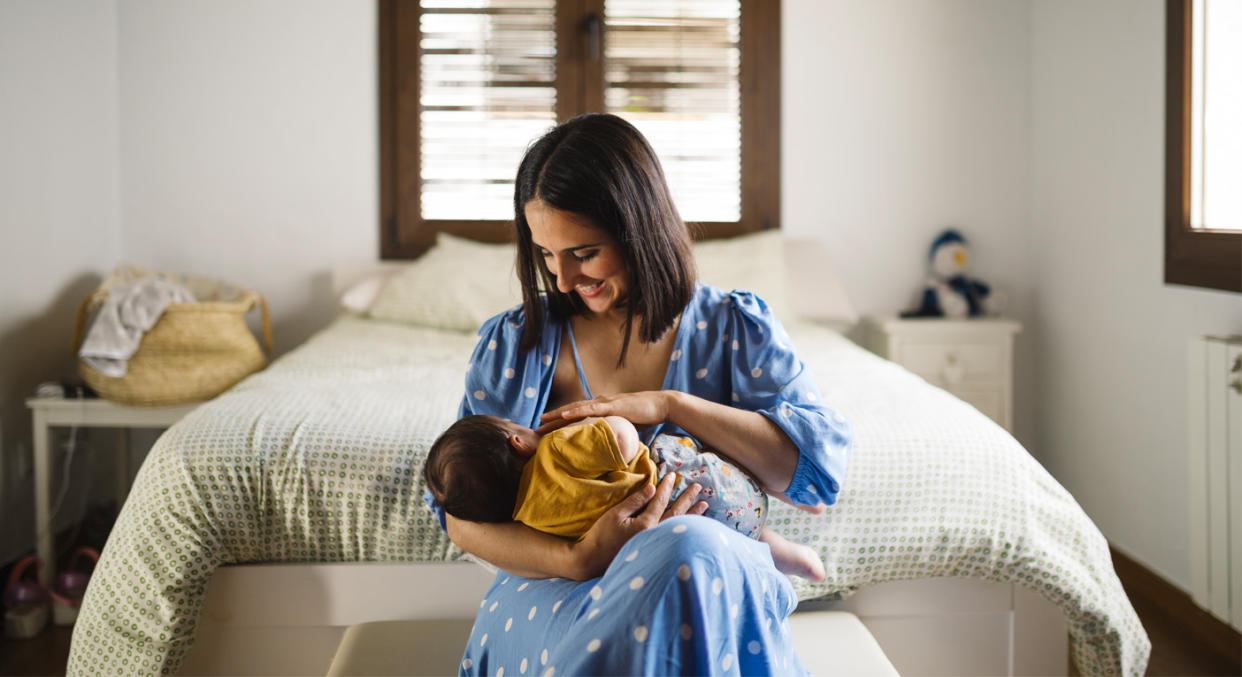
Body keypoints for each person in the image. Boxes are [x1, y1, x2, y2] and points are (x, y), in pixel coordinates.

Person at [429, 112, 852, 676]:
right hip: (560, 589)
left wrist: (671, 405)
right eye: (545, 256)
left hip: (709, 578)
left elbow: (813, 478)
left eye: (582, 253)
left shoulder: (735, 329)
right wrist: (577, 558)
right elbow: (461, 519)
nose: (561, 279)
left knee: (685, 549)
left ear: (639, 228)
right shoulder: (516, 346)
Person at [424, 413, 826, 580]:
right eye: (517, 425)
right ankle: (783, 487)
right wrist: (601, 422)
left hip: (679, 530)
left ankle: (793, 559)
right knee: (676, 443)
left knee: (757, 538)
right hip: (701, 486)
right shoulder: (555, 450)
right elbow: (621, 438)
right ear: (519, 442)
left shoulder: (530, 521)